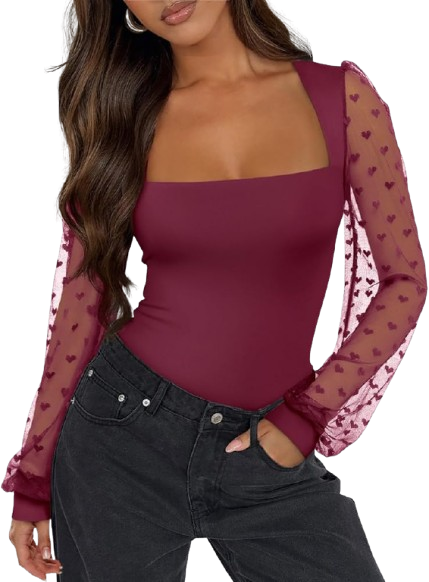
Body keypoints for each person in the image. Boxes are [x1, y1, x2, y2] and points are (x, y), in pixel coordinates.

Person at [3, 1, 427, 580]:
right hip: (122, 436)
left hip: (272, 446)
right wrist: (34, 476)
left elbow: (405, 283)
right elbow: (82, 305)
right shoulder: (123, 118)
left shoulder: (340, 99)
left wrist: (305, 417)